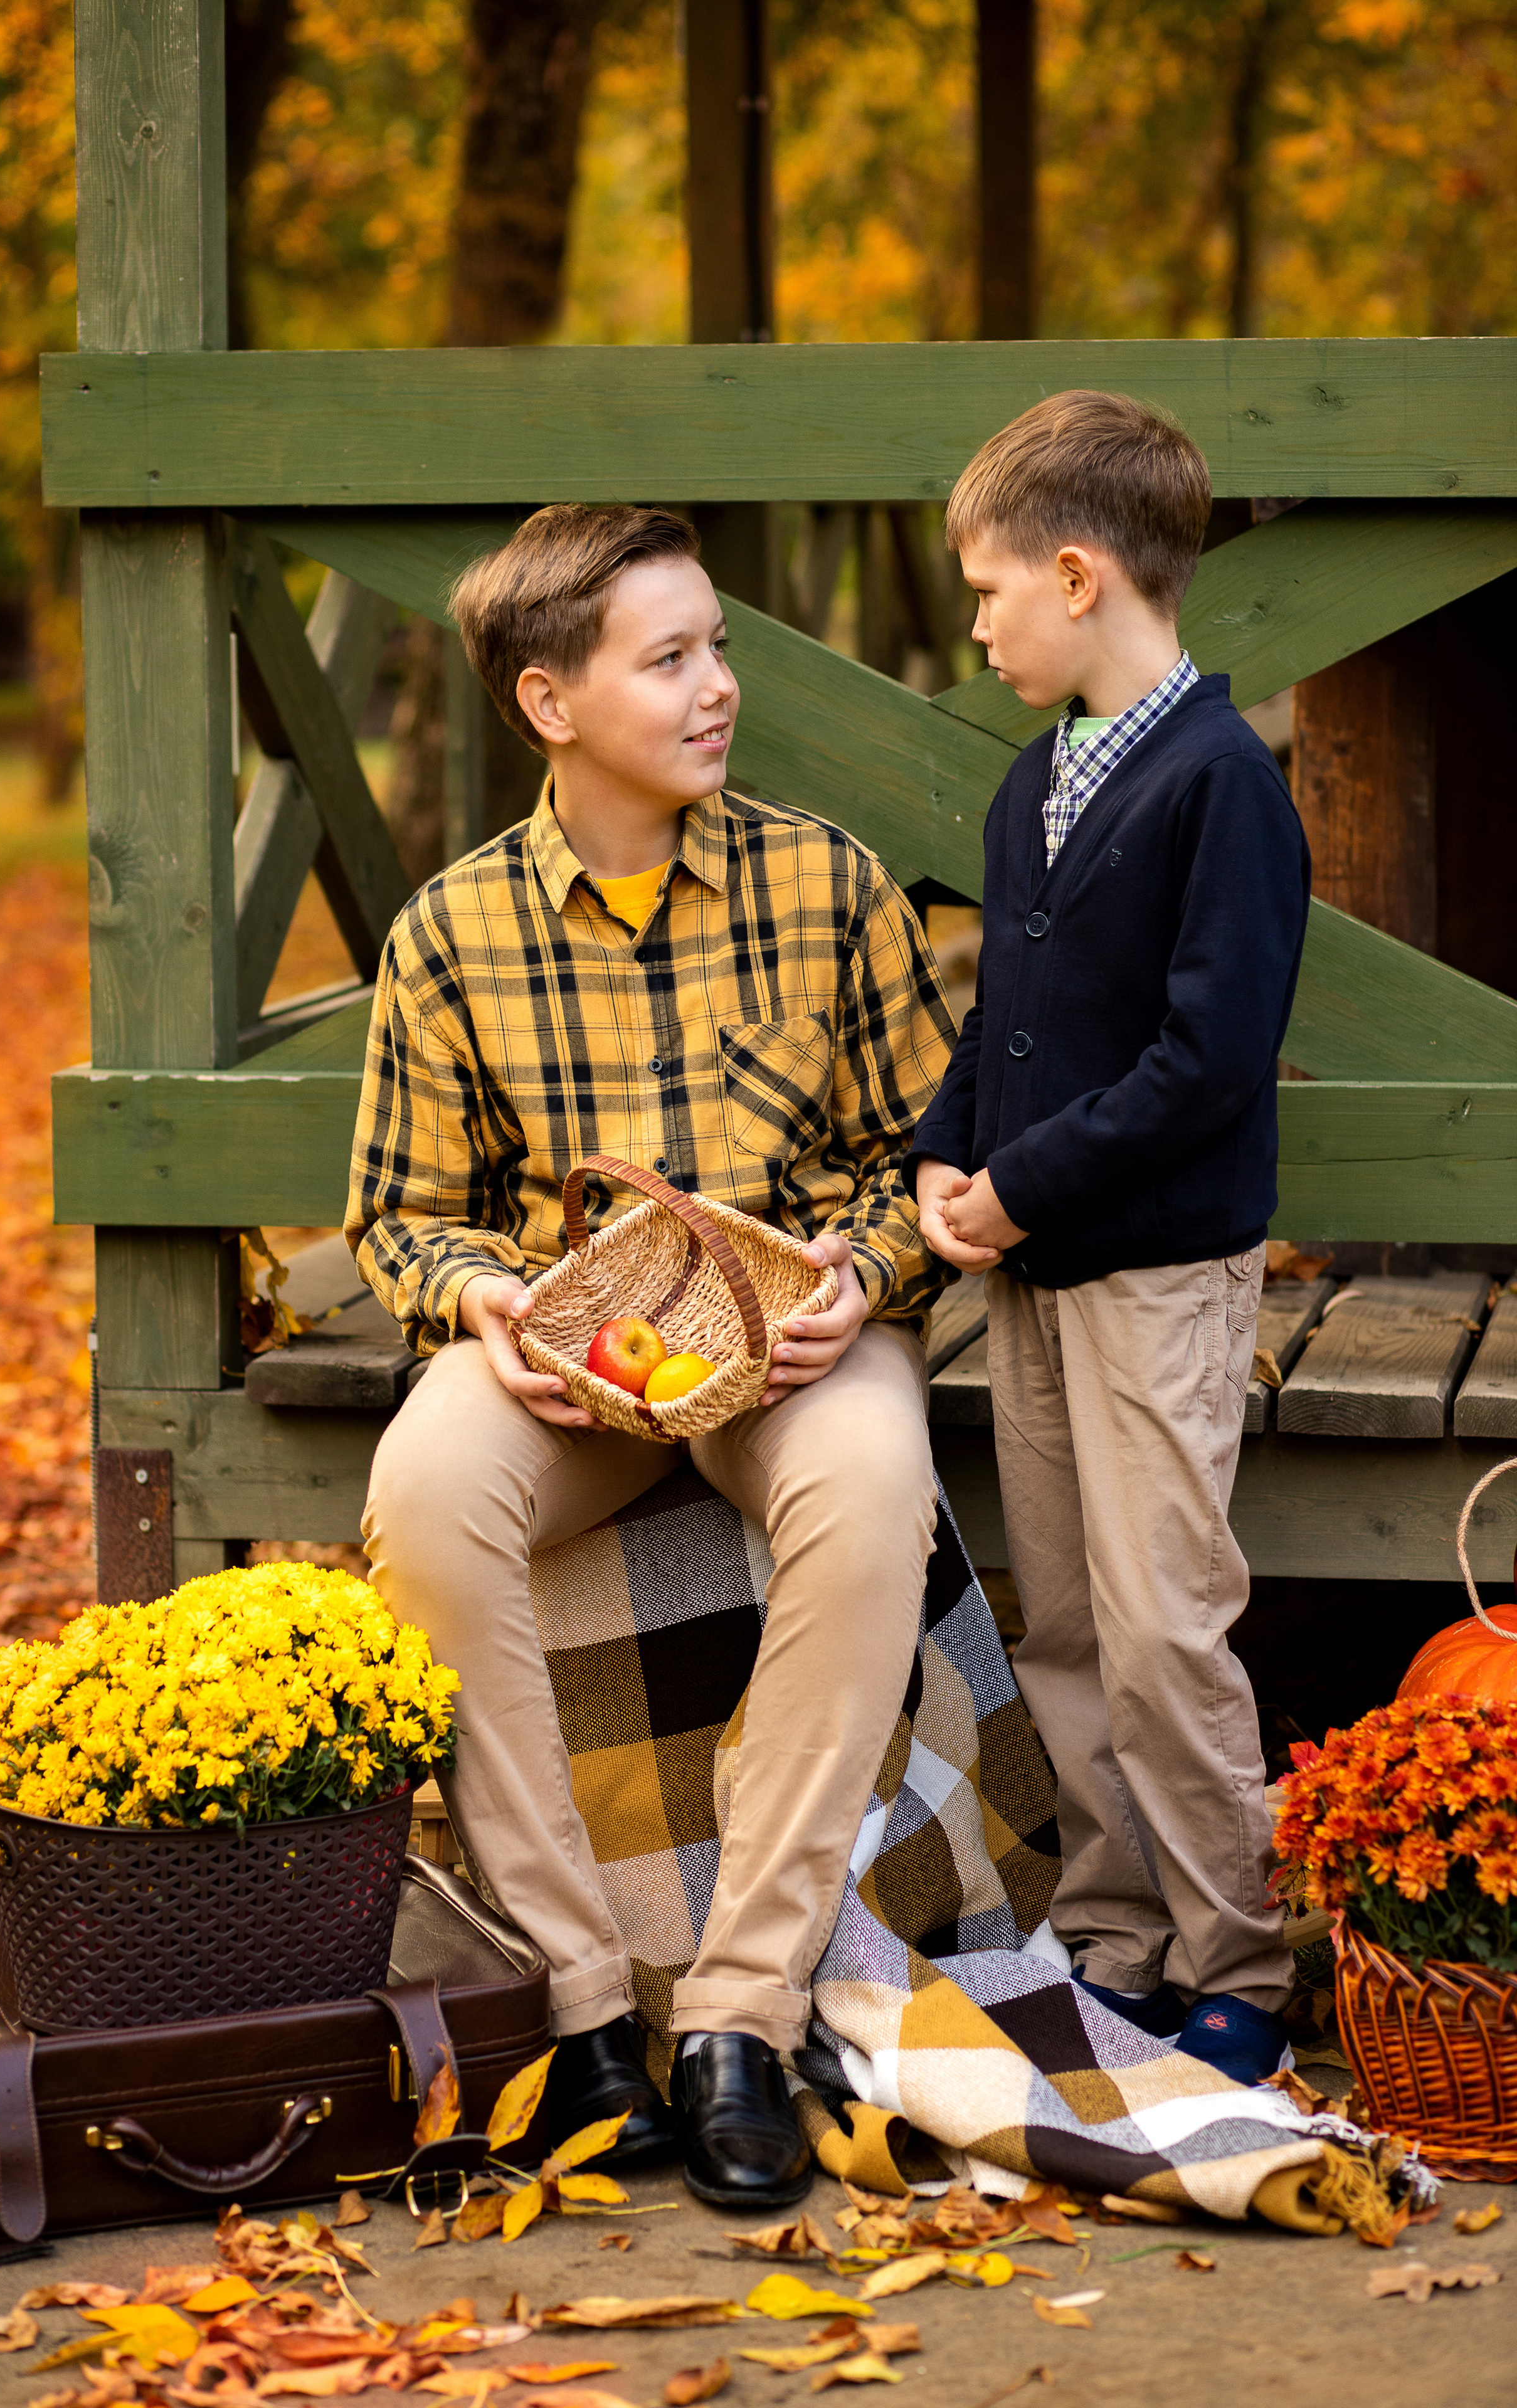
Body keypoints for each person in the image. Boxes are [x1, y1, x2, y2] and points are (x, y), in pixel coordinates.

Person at [351, 504, 956, 2207]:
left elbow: (927, 1160)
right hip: (578, 1370)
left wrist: (875, 1268)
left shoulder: (824, 884)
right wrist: (486, 1306)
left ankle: (742, 2021)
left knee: (872, 1489)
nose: (719, 687)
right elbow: (404, 1216)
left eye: (721, 646)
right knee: (425, 1486)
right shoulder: (451, 938)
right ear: (551, 703)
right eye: (670, 656)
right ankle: (586, 2009)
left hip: (795, 1348)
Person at [908, 391, 1311, 2086]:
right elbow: (1010, 1019)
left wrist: (1027, 1182)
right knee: (1065, 1617)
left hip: (1154, 1270)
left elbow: (1205, 1061)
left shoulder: (1224, 787)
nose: (979, 621)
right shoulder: (1033, 785)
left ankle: (1242, 1960)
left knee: (1161, 1626)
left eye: (991, 589)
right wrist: (947, 1155)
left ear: (1078, 576)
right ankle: (1116, 1939)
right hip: (1037, 1264)